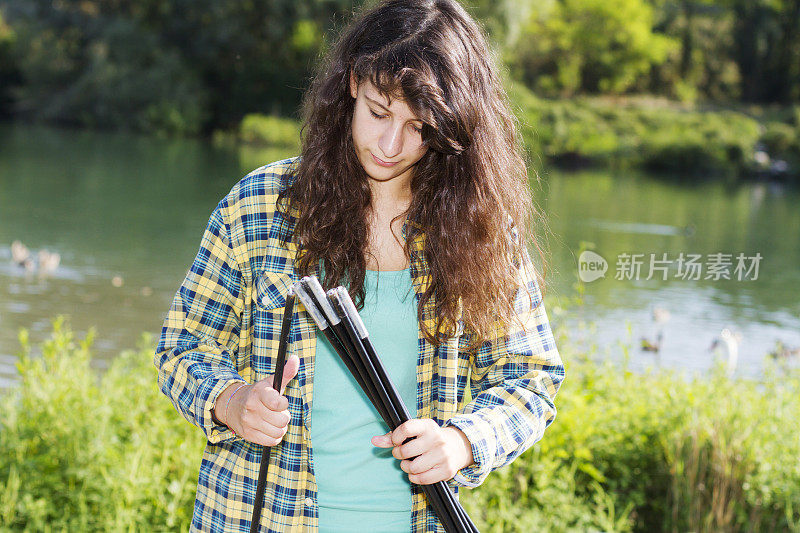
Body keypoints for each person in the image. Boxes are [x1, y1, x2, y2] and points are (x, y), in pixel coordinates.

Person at [154, 0, 564, 531]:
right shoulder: (260, 205)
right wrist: (230, 402)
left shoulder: (479, 231)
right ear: (352, 83)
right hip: (256, 519)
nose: (391, 145)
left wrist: (463, 441)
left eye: (419, 126)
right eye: (378, 111)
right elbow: (180, 347)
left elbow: (531, 377)